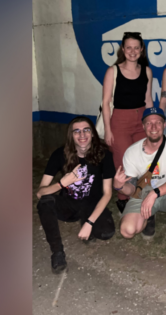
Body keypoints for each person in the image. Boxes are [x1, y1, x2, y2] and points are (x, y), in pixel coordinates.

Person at [36, 116, 116, 274]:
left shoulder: (104, 154)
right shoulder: (60, 154)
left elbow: (107, 193)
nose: (82, 135)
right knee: (45, 202)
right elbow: (40, 192)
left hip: (91, 205)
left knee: (106, 232)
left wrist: (90, 223)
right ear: (71, 136)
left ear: (93, 133)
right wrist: (61, 184)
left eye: (86, 130)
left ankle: (85, 221)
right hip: (69, 205)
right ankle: (57, 252)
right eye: (76, 131)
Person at [112, 107, 166, 254]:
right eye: (149, 123)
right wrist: (119, 186)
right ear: (143, 126)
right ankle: (149, 216)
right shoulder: (132, 152)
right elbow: (132, 189)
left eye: (158, 123)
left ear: (164, 125)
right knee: (127, 231)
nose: (154, 127)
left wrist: (154, 194)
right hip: (143, 193)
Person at [101, 31, 153, 213]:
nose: (132, 51)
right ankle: (123, 197)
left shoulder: (146, 71)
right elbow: (106, 103)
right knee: (122, 160)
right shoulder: (113, 71)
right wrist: (108, 130)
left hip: (141, 120)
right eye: (128, 47)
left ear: (141, 49)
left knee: (143, 159)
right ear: (123, 49)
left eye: (136, 47)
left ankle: (142, 193)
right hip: (120, 121)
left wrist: (153, 123)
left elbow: (148, 100)